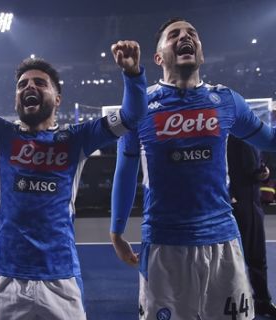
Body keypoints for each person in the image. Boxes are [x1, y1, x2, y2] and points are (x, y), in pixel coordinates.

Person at [0, 20, 148, 320]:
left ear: (57, 99)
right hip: (7, 278)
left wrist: (132, 73)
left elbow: (133, 114)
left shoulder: (77, 139)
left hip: (60, 278)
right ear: (16, 98)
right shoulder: (1, 134)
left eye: (39, 83)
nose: (29, 87)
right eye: (22, 84)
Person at [110, 17, 276, 320]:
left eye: (192, 34)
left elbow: (270, 140)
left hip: (223, 241)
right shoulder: (140, 106)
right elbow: (125, 169)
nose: (185, 37)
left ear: (200, 53)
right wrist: (117, 231)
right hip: (163, 243)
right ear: (159, 57)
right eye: (174, 35)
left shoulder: (227, 101)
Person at [227, 135, 276, 318]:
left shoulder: (253, 139)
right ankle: (233, 302)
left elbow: (259, 167)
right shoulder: (226, 137)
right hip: (234, 204)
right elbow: (219, 168)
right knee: (231, 259)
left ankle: (262, 300)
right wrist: (229, 194)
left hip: (252, 202)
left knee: (257, 256)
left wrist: (265, 173)